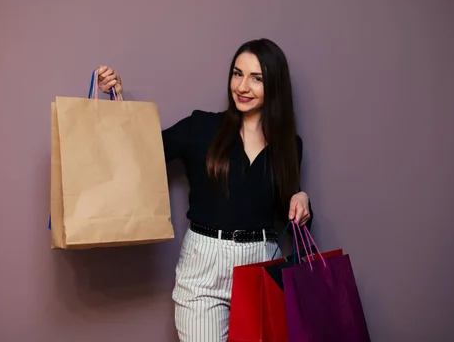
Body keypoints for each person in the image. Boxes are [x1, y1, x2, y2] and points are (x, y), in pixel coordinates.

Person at [96, 38, 313, 341]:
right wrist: (116, 96)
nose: (242, 86)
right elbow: (140, 151)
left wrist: (301, 198)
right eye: (237, 74)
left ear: (275, 84)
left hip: (261, 268)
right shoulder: (201, 128)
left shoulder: (289, 145)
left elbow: (286, 213)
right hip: (204, 268)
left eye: (256, 78)